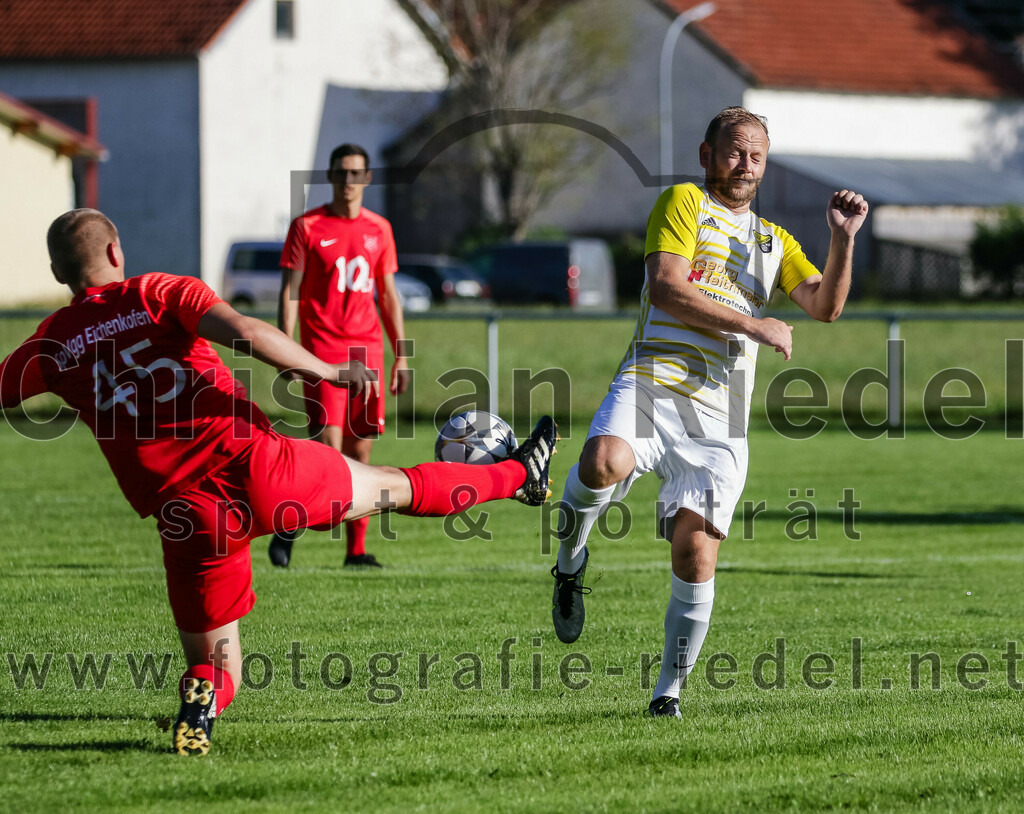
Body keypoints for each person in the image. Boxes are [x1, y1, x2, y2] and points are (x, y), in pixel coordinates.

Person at [0, 209, 557, 755]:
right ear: (116, 253)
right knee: (394, 485)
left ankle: (203, 700)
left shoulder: (52, 343)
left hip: (188, 514)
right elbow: (244, 331)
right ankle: (517, 474)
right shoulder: (158, 291)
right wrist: (330, 371)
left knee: (217, 665)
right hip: (259, 466)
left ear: (57, 274)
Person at [547, 107, 868, 717]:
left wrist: (843, 239)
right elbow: (667, 287)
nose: (743, 164)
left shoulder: (776, 241)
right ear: (706, 154)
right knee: (601, 460)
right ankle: (570, 563)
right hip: (653, 379)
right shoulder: (683, 202)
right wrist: (754, 322)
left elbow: (824, 306)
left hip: (721, 416)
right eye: (733, 151)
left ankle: (667, 693)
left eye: (755, 156)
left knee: (695, 553)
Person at [268, 143, 408, 569]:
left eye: (356, 174)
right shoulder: (307, 227)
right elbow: (290, 291)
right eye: (341, 173)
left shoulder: (379, 229)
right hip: (322, 352)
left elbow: (387, 295)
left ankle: (356, 551)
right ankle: (289, 524)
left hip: (367, 353)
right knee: (327, 452)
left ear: (366, 179)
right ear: (330, 177)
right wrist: (286, 350)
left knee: (360, 454)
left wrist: (401, 355)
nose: (348, 182)